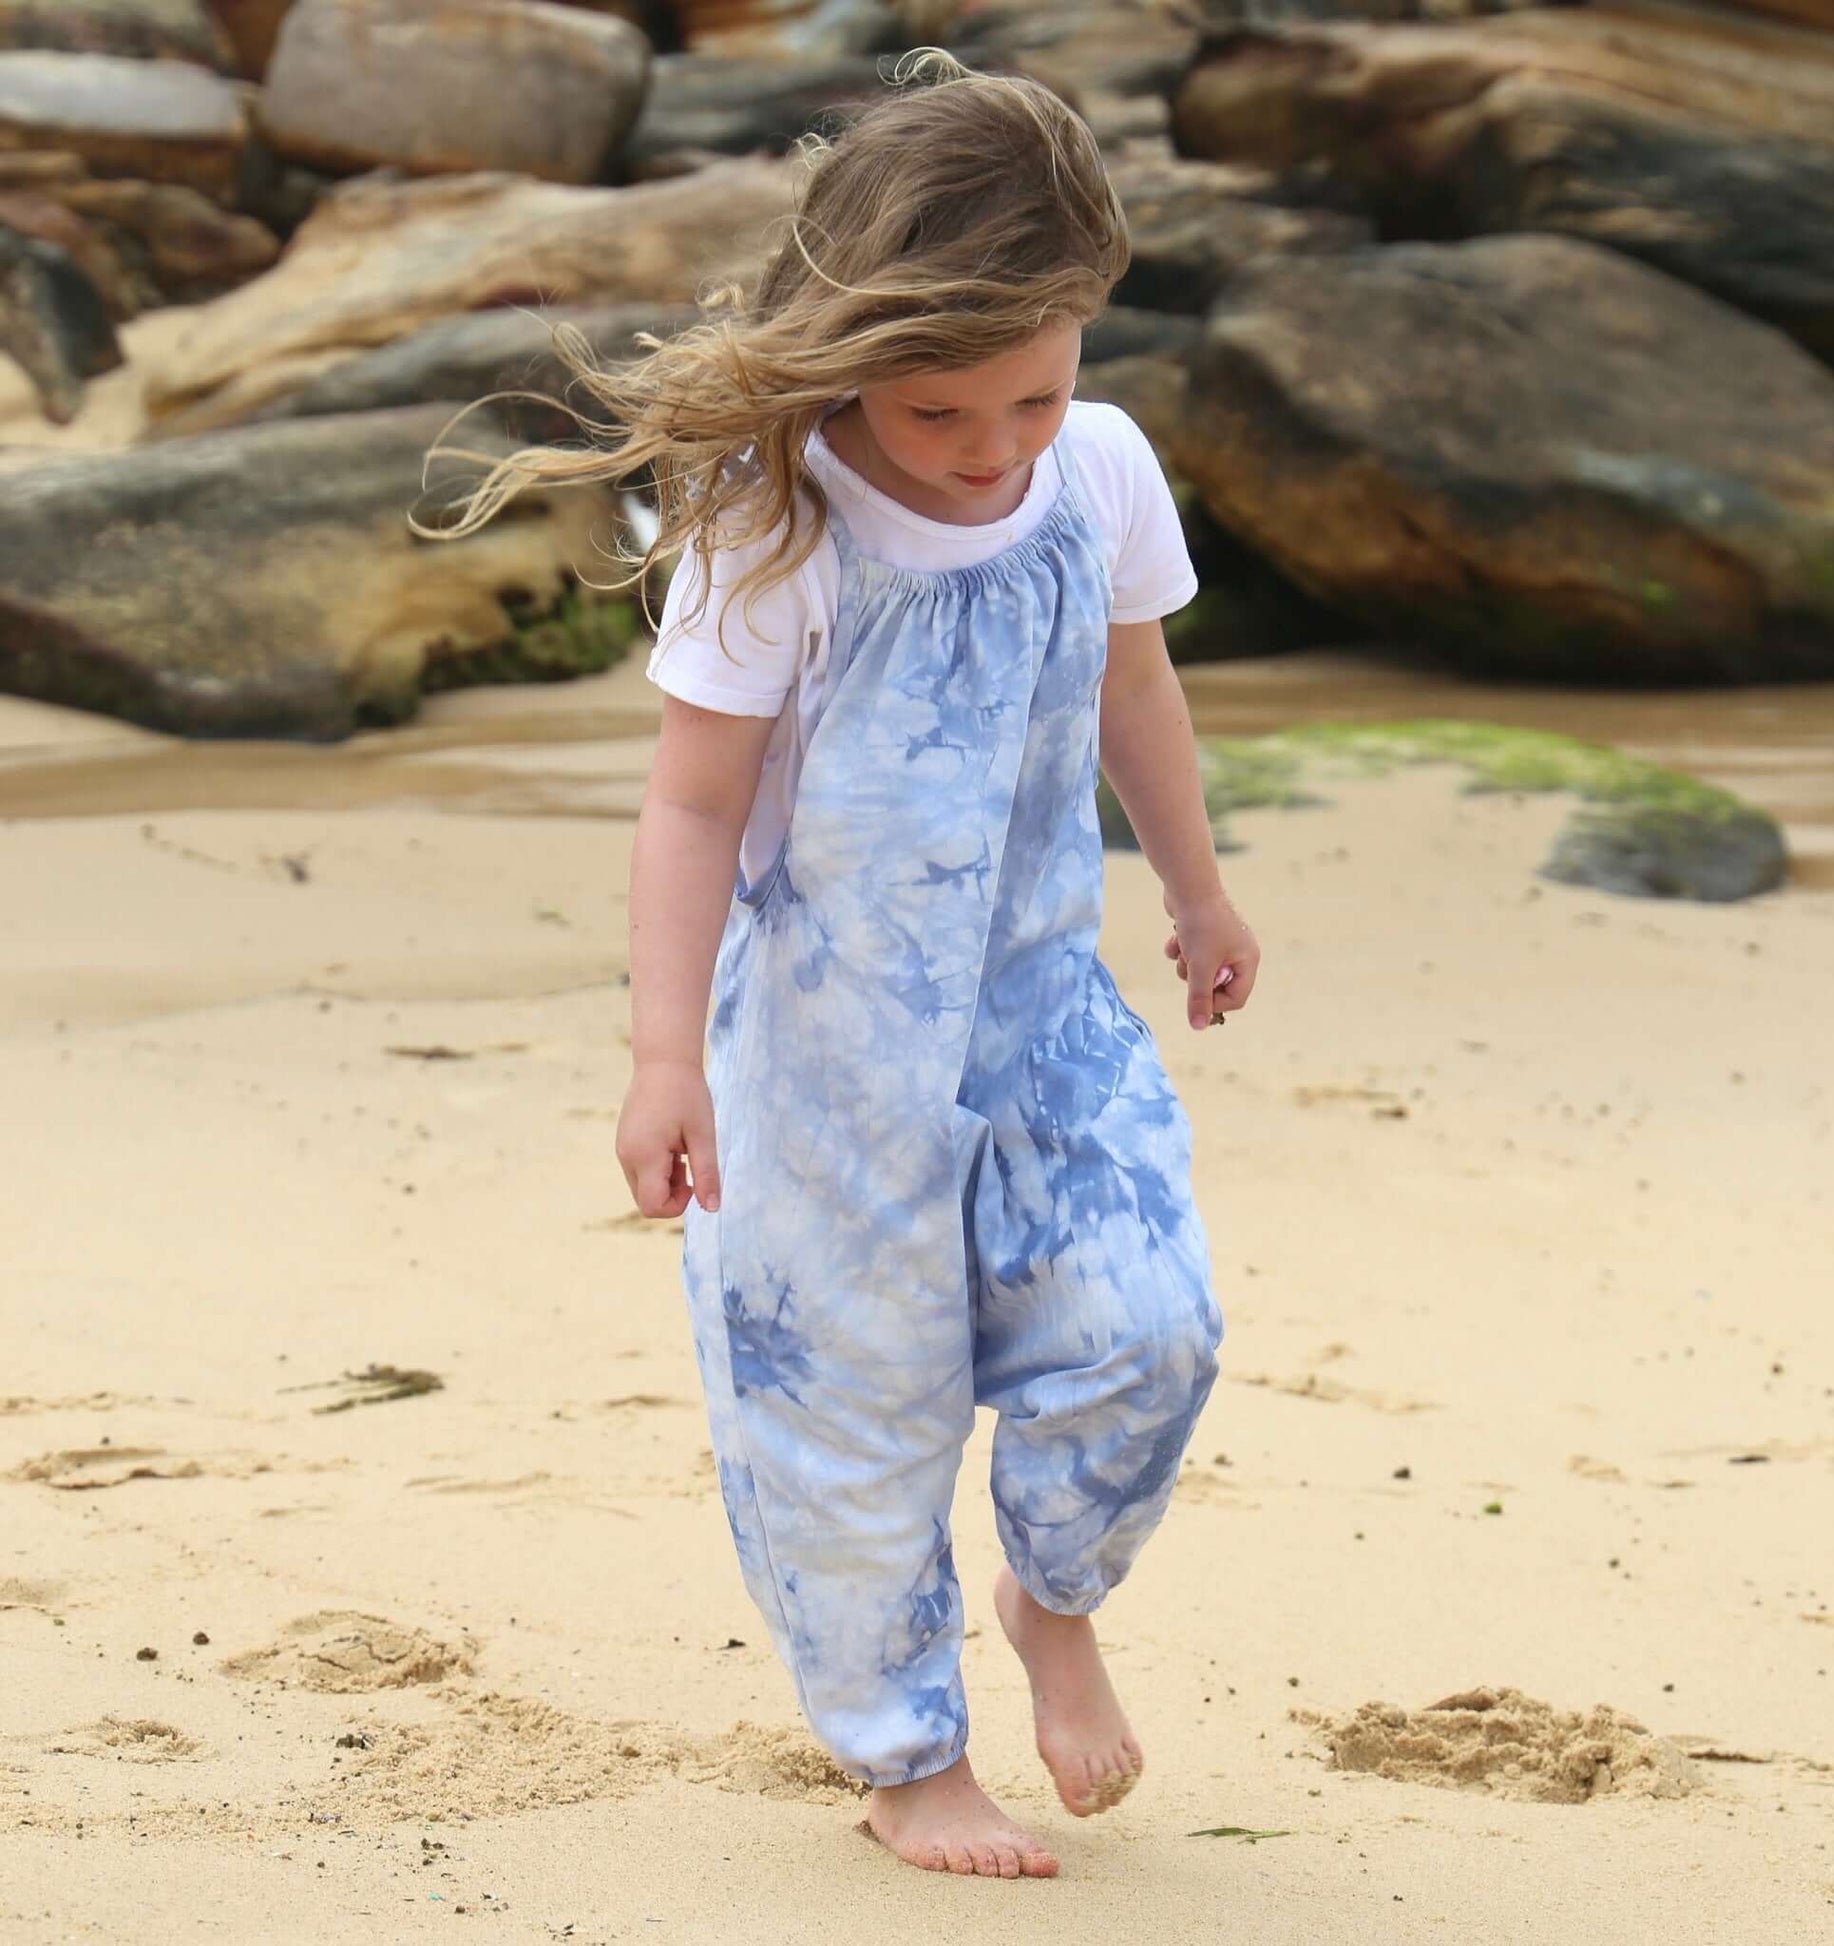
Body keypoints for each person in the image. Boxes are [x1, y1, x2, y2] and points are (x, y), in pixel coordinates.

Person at [444, 52, 1259, 1880]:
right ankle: (905, 1754)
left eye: (1028, 396)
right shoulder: (771, 528)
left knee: (1149, 1329)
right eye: (936, 411)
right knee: (851, 1407)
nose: (990, 447)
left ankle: (1051, 1593)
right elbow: (685, 808)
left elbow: (1135, 687)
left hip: (1045, 1009)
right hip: (819, 1054)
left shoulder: (1098, 471)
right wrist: (663, 1060)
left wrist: (1198, 893)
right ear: (844, 355)